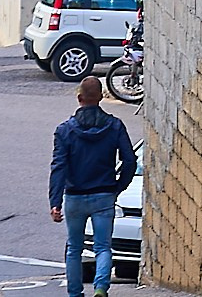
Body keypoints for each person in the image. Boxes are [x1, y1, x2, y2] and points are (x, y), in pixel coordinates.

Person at [49, 75, 138, 297]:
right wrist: (119, 186)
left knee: (75, 249)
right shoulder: (115, 126)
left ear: (79, 98)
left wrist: (55, 202)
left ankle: (75, 293)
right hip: (104, 194)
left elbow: (58, 167)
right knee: (103, 247)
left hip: (75, 196)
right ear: (100, 97)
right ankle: (100, 287)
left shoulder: (64, 130)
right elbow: (129, 160)